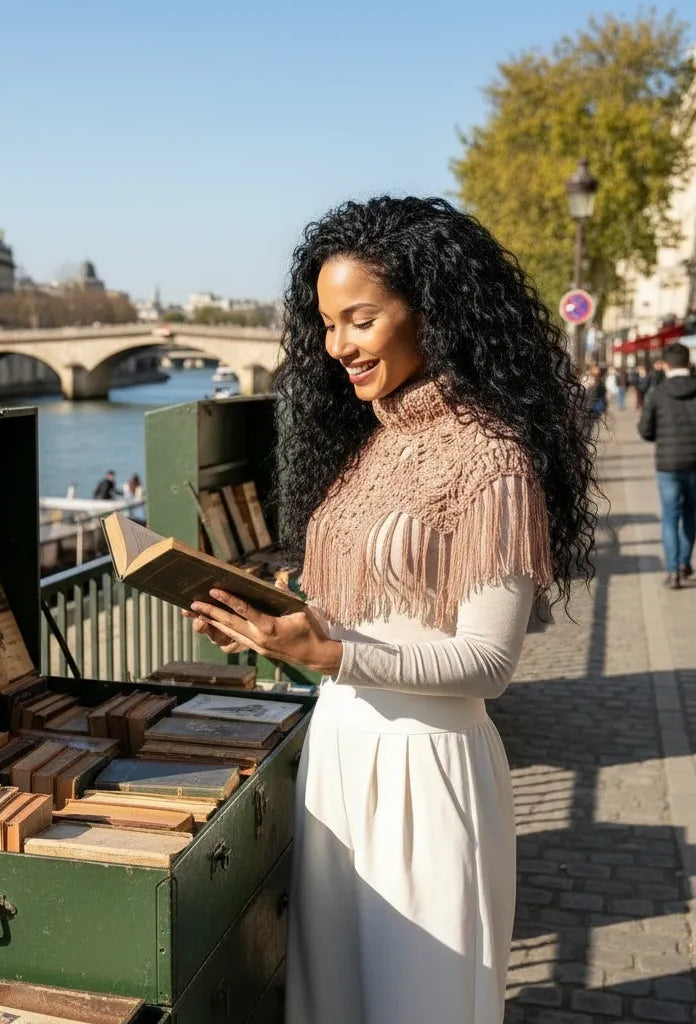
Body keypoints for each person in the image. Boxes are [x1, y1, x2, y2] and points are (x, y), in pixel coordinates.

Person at [184, 196, 596, 1023]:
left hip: (426, 771)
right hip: (341, 751)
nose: (337, 346)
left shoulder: (493, 461)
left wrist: (330, 654)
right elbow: (369, 611)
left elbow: (490, 664)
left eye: (360, 320)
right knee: (331, 1005)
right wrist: (274, 623)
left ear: (432, 311)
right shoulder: (366, 444)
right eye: (328, 324)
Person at [638, 342, 696, 589]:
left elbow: (645, 430)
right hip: (695, 463)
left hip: (667, 464)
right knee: (691, 513)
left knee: (670, 517)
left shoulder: (657, 393)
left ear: (665, 363)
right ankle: (684, 563)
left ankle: (672, 572)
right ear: (687, 363)